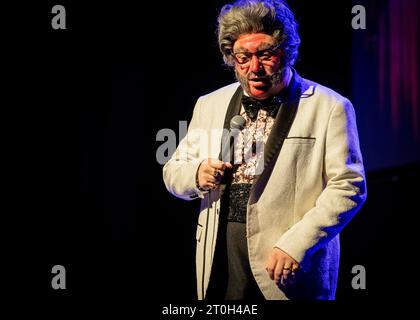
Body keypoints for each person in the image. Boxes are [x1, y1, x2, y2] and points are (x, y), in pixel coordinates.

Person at [163, 0, 366, 300]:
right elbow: (172, 171)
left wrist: (297, 243)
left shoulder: (330, 106)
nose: (254, 68)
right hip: (220, 257)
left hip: (287, 263)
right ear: (231, 57)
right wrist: (196, 173)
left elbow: (348, 187)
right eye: (243, 57)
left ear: (286, 50)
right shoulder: (209, 104)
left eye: (266, 54)